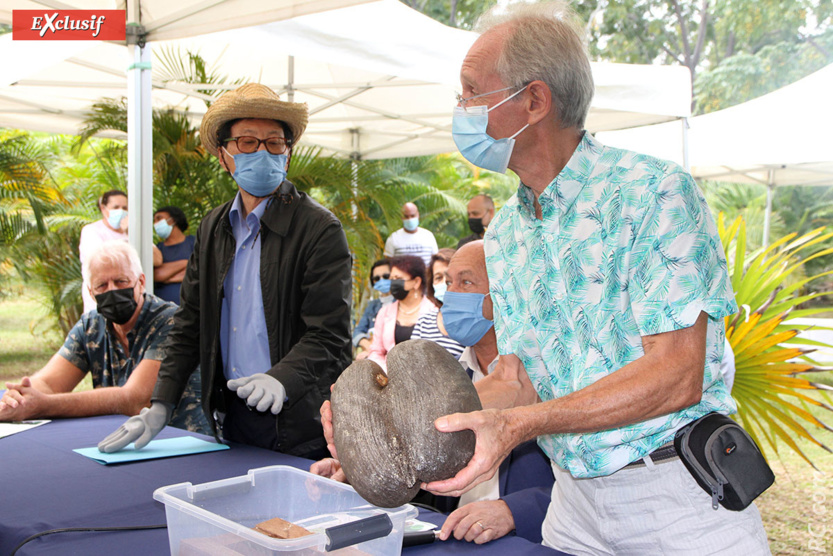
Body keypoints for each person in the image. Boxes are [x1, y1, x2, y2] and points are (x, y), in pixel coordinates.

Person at [420, 3, 770, 554]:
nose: (460, 109)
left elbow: (678, 374)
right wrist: (402, 427)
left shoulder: (652, 192)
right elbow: (520, 379)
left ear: (533, 101)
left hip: (674, 500)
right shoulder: (507, 230)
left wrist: (518, 426)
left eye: (470, 92)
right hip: (573, 508)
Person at [98, 83, 353, 460]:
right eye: (248, 142)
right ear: (224, 155)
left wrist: (280, 380)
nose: (263, 151)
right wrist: (160, 404)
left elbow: (329, 333)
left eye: (274, 142)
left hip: (302, 417)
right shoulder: (213, 227)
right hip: (230, 413)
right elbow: (190, 323)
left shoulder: (318, 229)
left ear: (288, 153)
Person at [315, 240, 554, 545]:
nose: (451, 294)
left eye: (466, 282)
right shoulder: (449, 380)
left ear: (504, 295)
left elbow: (592, 483)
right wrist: (363, 460)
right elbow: (424, 462)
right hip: (453, 541)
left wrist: (512, 511)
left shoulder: (547, 380)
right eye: (446, 282)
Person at [0, 241, 208, 434]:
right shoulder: (90, 326)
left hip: (181, 441)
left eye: (121, 281)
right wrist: (21, 398)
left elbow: (134, 399)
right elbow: (49, 382)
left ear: (141, 282)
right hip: (122, 441)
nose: (112, 290)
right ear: (91, 292)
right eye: (102, 286)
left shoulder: (170, 321)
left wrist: (43, 405)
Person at [365, 255, 434, 370]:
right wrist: (386, 371)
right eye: (391, 279)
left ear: (416, 282)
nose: (393, 284)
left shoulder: (433, 312)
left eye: (397, 278)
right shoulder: (384, 312)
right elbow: (376, 351)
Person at [79, 190, 128, 312]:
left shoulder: (132, 232)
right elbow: (103, 261)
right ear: (103, 208)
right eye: (116, 207)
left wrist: (130, 233)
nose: (121, 211)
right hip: (100, 304)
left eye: (125, 208)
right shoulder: (91, 231)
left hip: (128, 303)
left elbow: (157, 259)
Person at [412, 249, 464, 360]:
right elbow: (411, 362)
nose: (445, 282)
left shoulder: (473, 322)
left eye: (449, 275)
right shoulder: (423, 323)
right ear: (432, 285)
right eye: (438, 278)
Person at [152, 206, 195, 305]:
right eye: (154, 220)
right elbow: (156, 275)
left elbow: (201, 272)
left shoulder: (194, 243)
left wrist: (167, 278)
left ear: (173, 220)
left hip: (192, 308)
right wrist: (186, 263)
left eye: (159, 218)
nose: (156, 224)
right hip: (163, 310)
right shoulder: (157, 249)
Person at [353, 259, 392, 360]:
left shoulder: (402, 303)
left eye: (386, 276)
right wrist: (370, 348)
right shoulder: (372, 306)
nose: (381, 280)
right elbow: (357, 332)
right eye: (377, 278)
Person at [383, 202, 438, 266]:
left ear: (418, 215)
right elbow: (387, 262)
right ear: (401, 217)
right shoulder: (393, 238)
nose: (409, 219)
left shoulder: (428, 236)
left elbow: (435, 259)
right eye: (406, 216)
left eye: (412, 216)